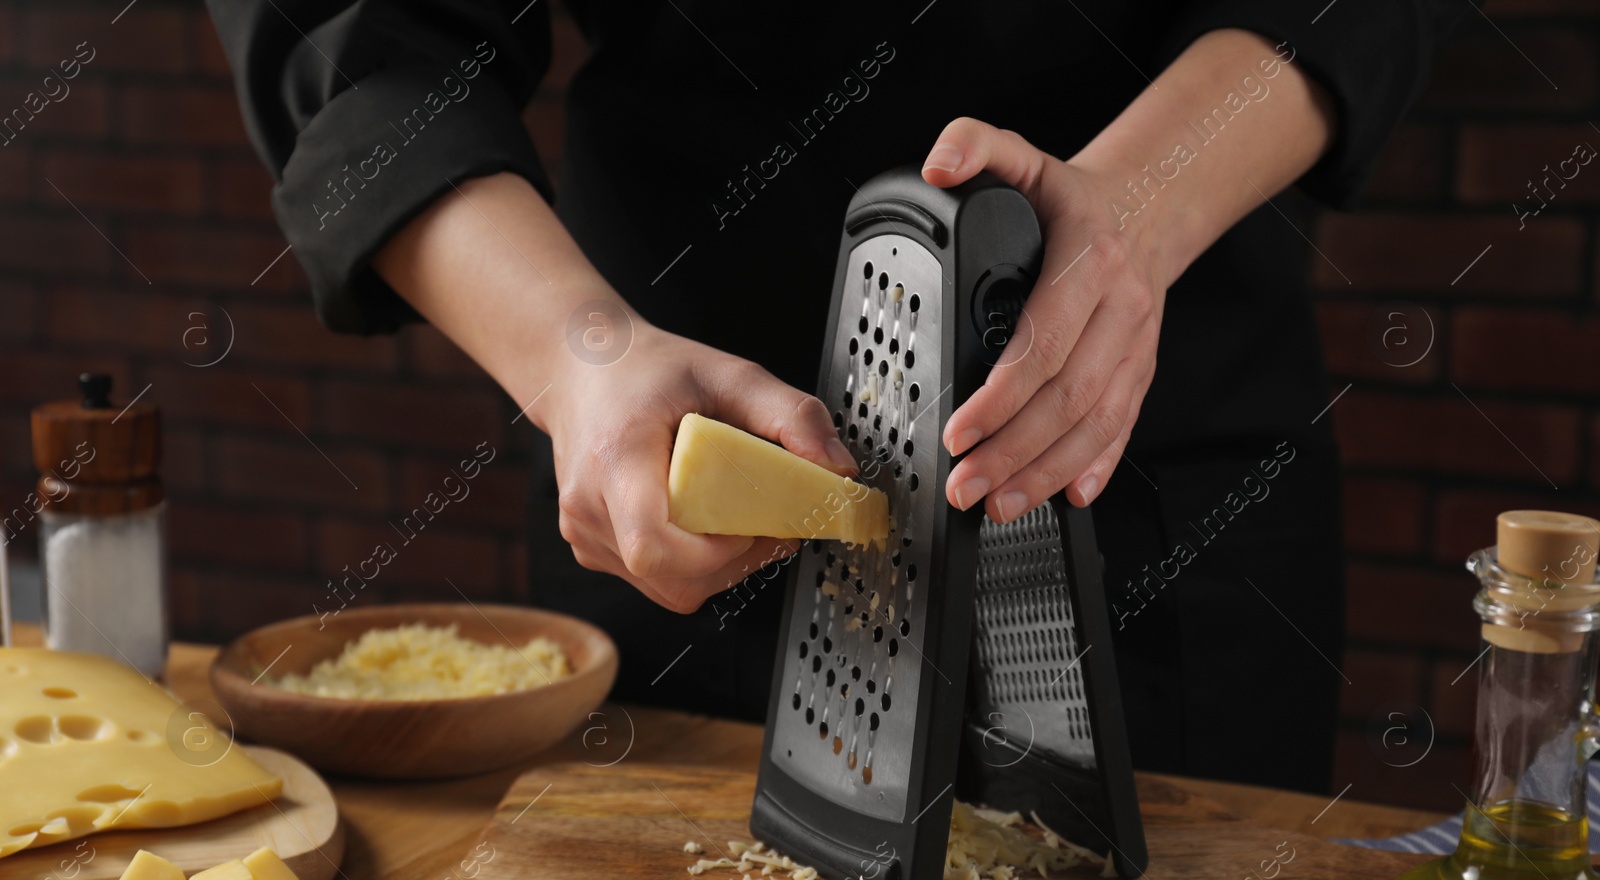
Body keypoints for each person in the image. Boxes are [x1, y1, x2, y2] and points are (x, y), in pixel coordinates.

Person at [206, 1, 1459, 793]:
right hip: (685, 443)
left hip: (1146, 474)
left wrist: (1133, 209)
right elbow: (358, 34)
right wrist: (573, 358)